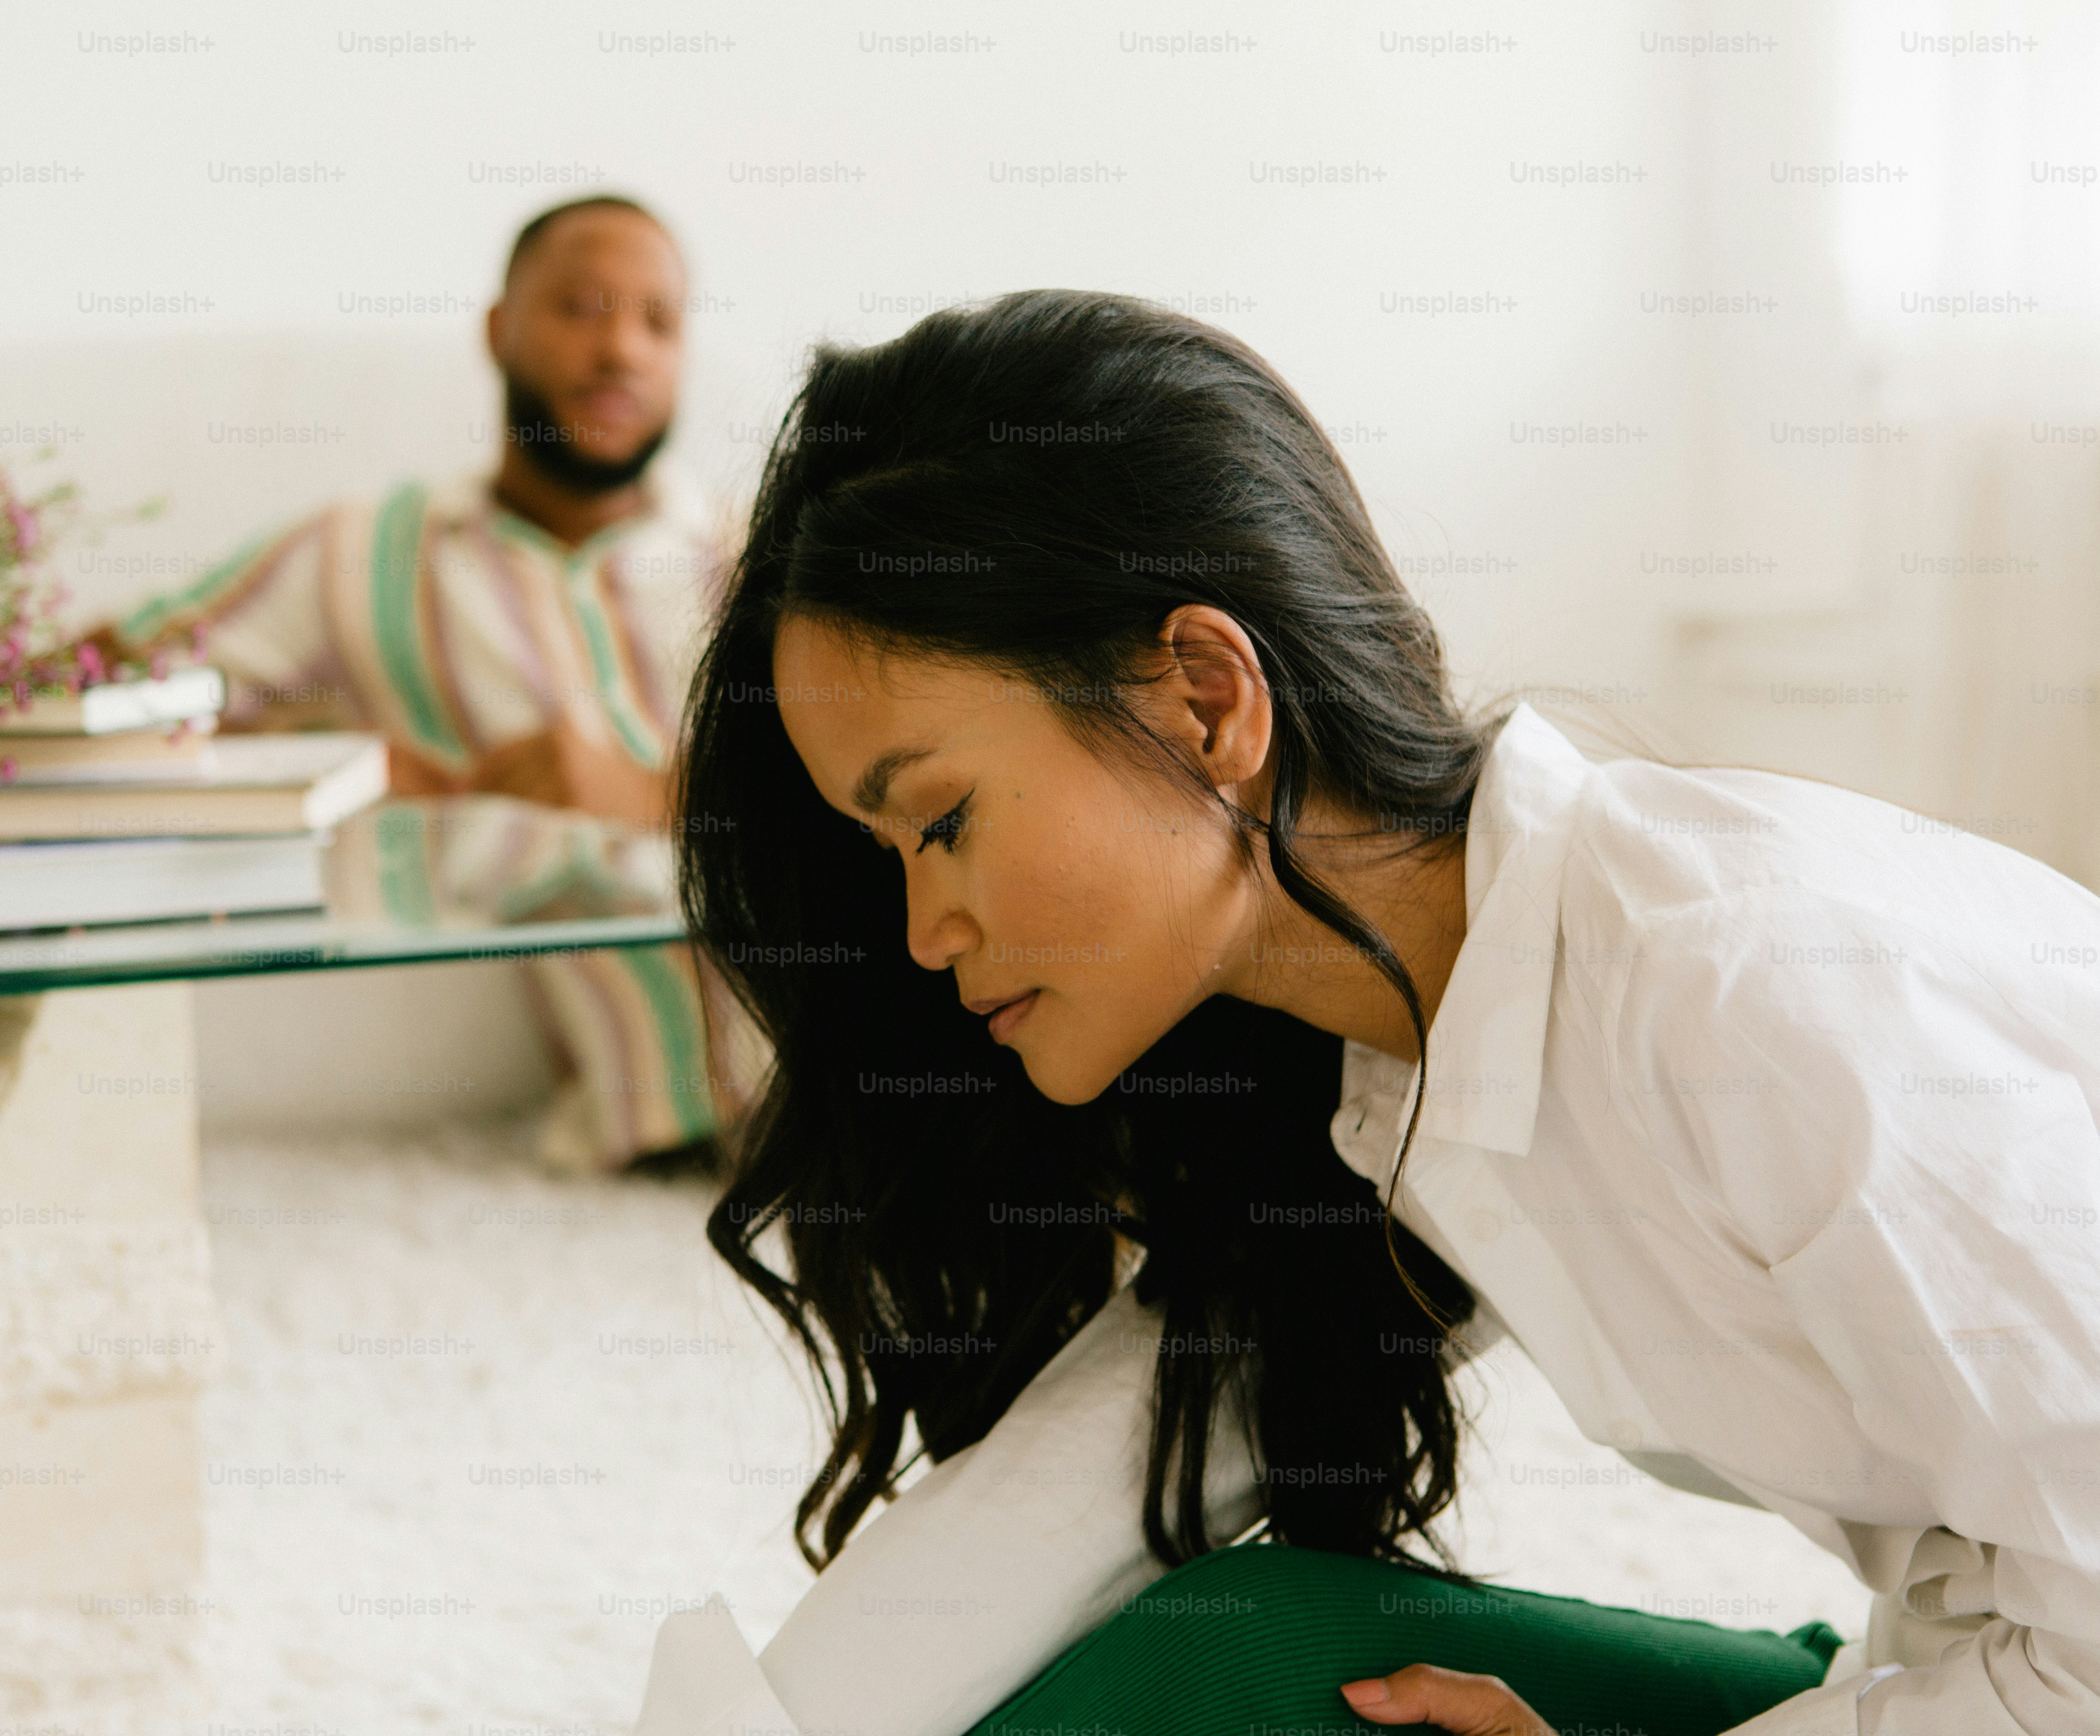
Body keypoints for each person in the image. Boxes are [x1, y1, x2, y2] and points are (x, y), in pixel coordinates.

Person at [633, 290, 2100, 1735]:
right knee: (1234, 1656)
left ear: (1207, 699)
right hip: (1967, 1680)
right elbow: (1083, 1487)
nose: (921, 930)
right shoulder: (1389, 1068)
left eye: (939, 820)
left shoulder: (1742, 998)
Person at [113, 195, 752, 1176]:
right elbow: (102, 693)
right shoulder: (367, 556)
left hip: (897, 1045)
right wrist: (334, 765)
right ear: (499, 331)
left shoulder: (754, 552)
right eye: (582, 307)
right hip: (702, 1136)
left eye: (658, 321)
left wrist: (657, 796)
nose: (622, 347)